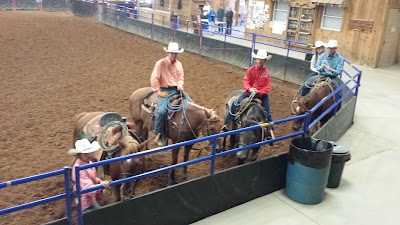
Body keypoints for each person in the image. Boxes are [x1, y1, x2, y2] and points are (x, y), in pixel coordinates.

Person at [222, 49, 274, 131]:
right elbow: (246, 81)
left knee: (267, 112)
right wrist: (250, 89)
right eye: (259, 59)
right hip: (249, 93)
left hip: (261, 95)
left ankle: (271, 130)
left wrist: (259, 92)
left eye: (262, 60)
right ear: (256, 60)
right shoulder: (251, 70)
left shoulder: (266, 74)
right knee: (235, 104)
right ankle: (225, 124)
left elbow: (267, 87)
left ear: (265, 61)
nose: (260, 61)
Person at [150, 42, 184, 147]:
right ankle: (158, 135)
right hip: (165, 89)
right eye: (172, 53)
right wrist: (158, 92)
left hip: (176, 89)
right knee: (162, 111)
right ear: (168, 53)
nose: (174, 55)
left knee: (190, 104)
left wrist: (180, 84)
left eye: (175, 54)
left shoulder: (179, 64)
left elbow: (180, 78)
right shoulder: (161, 63)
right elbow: (154, 77)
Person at [69, 139, 110, 212]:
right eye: (85, 153)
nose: (89, 155)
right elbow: (87, 188)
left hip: (91, 200)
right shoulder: (78, 169)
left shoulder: (89, 162)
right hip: (85, 203)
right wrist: (101, 185)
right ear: (79, 154)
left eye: (89, 152)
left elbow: (92, 178)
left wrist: (100, 181)